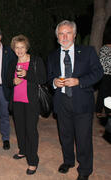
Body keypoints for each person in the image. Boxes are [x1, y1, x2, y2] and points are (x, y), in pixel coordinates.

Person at [47, 20, 103, 180]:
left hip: (82, 101)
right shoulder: (52, 56)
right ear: (57, 36)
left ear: (74, 35)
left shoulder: (87, 51)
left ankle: (85, 169)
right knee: (65, 135)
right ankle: (68, 161)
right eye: (61, 33)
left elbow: (98, 72)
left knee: (83, 138)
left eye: (68, 33)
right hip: (61, 101)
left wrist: (79, 81)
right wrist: (54, 82)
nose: (64, 37)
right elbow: (49, 77)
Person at [6, 34, 46, 174]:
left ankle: (33, 160)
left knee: (31, 130)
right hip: (17, 101)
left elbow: (42, 78)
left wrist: (26, 74)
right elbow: (7, 81)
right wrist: (13, 81)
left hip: (31, 102)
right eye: (17, 47)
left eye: (22, 47)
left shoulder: (36, 60)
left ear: (26, 47)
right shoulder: (13, 63)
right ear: (13, 49)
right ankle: (23, 150)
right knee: (20, 128)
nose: (19, 50)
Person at [95, 34, 111, 119]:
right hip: (104, 74)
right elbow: (101, 61)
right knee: (103, 93)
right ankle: (99, 111)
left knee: (109, 94)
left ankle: (108, 111)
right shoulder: (104, 48)